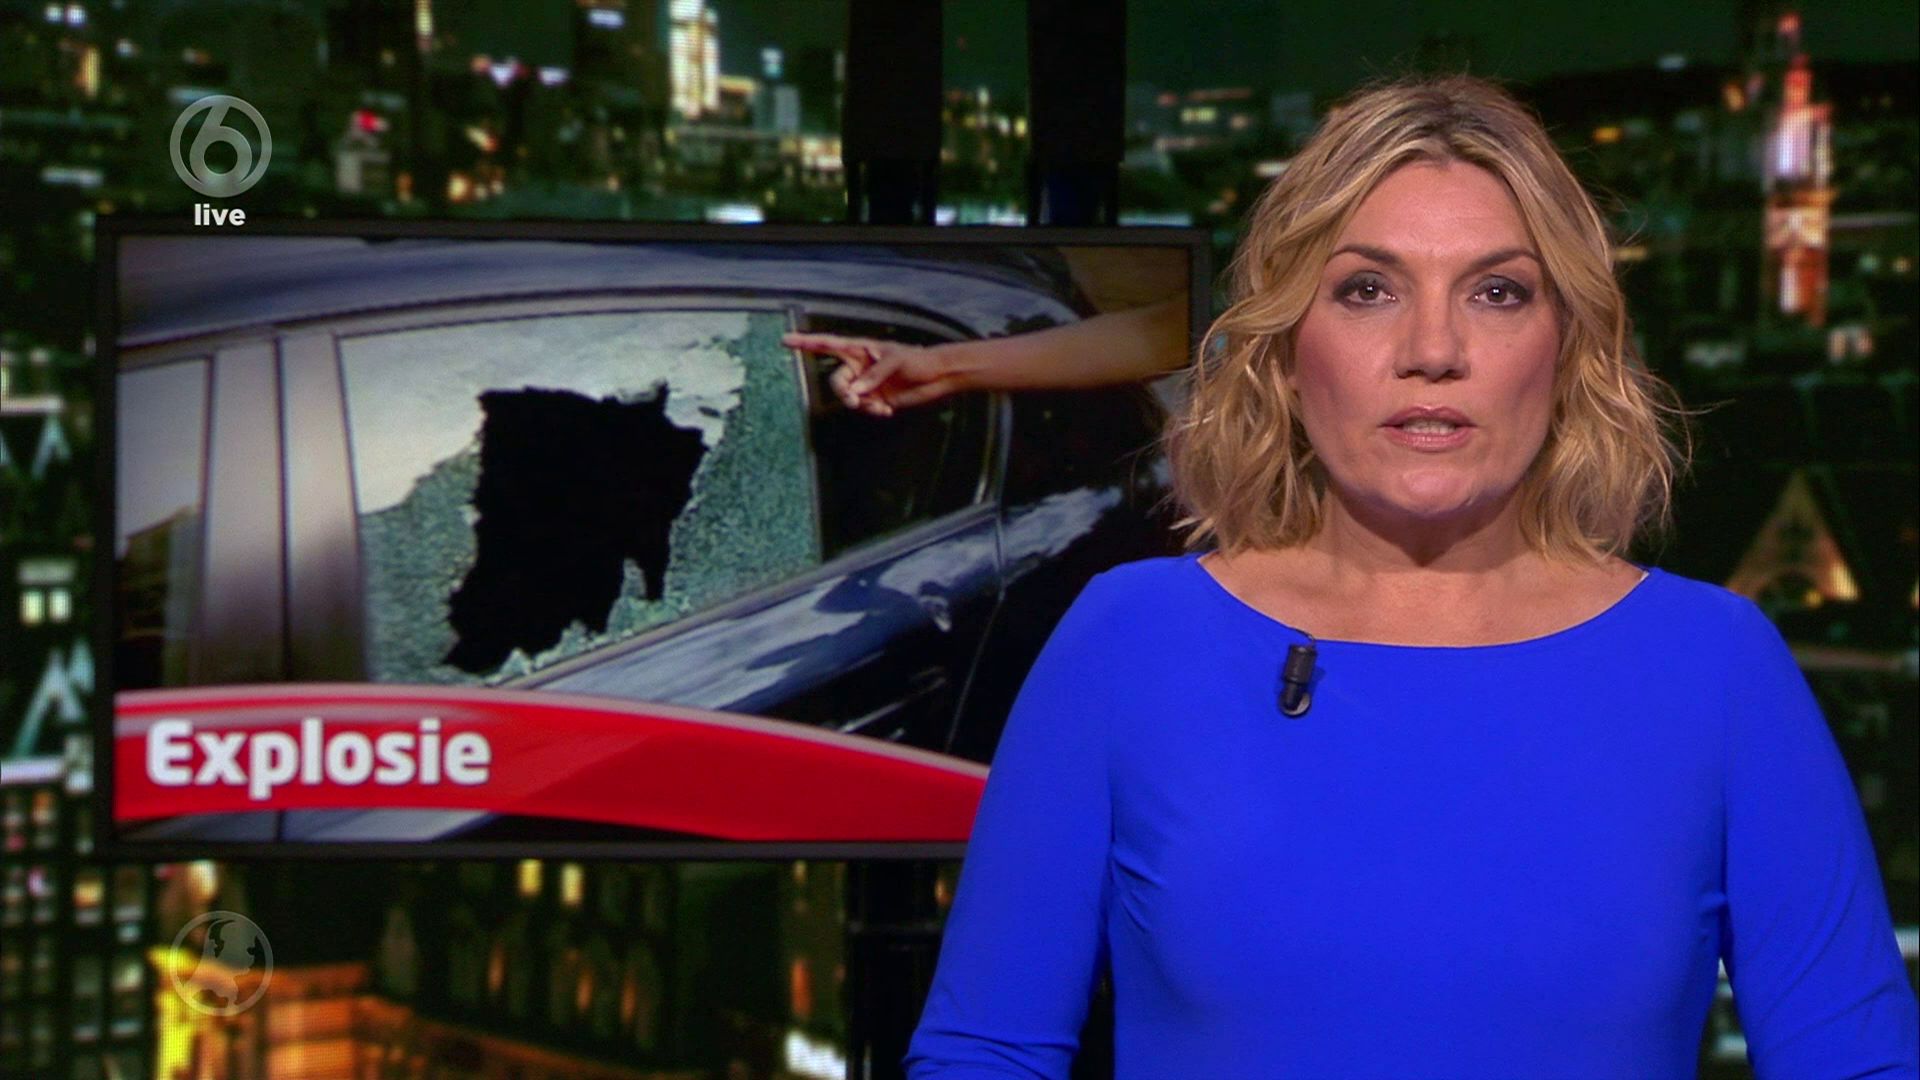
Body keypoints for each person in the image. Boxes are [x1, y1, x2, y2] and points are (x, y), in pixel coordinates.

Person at [901, 75, 1920, 1078]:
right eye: (1368, 290)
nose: (1433, 350)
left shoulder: (1715, 667)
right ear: (1285, 350)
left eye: (1498, 292)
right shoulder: (1131, 639)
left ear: (1568, 349)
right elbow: (984, 1051)